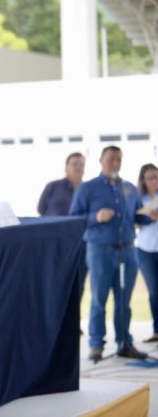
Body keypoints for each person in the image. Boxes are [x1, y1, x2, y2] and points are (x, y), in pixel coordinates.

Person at [70, 146, 157, 362]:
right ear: (101, 160)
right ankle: (96, 346)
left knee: (124, 302)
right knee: (99, 300)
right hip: (100, 252)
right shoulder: (88, 188)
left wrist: (151, 216)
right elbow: (74, 218)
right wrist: (95, 217)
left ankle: (124, 343)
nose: (115, 163)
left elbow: (138, 218)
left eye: (119, 159)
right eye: (111, 159)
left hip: (128, 252)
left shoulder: (129, 189)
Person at [38, 152, 88, 311]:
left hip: (81, 244)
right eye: (75, 164)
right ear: (66, 168)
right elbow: (41, 209)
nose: (78, 167)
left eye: (81, 164)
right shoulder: (53, 186)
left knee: (78, 285)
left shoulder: (88, 190)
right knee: (54, 283)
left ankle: (73, 324)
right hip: (55, 243)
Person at [136, 163, 158, 343]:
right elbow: (132, 222)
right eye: (150, 178)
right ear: (143, 180)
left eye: (156, 177)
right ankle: (157, 331)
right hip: (145, 250)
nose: (153, 181)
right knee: (154, 292)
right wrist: (143, 220)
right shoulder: (138, 199)